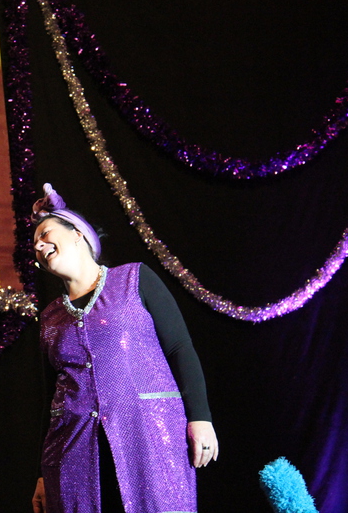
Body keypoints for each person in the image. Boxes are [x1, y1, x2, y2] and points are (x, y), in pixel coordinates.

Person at [29, 183, 218, 513]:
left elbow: (179, 348)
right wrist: (41, 475)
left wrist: (200, 417)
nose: (39, 245)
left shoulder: (134, 279)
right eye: (34, 245)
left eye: (45, 234)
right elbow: (51, 398)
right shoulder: (50, 317)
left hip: (148, 438)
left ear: (78, 234)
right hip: (73, 453)